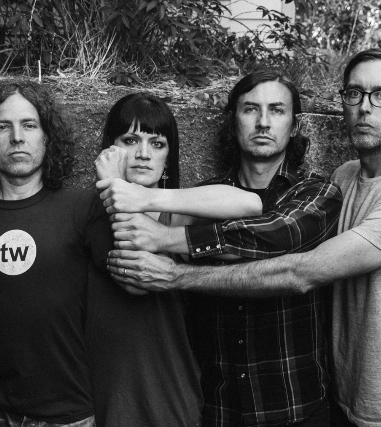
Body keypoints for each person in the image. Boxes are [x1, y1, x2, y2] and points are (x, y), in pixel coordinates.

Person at [108, 50, 381, 427]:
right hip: (241, 406)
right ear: (233, 120)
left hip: (359, 410)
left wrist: (172, 257)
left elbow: (296, 262)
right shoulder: (345, 176)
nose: (365, 107)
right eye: (354, 93)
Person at [99, 73, 343, 426]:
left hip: (294, 405)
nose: (263, 122)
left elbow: (276, 237)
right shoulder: (202, 198)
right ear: (233, 121)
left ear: (294, 126)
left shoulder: (318, 193)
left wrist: (163, 236)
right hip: (219, 408)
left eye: (276, 110)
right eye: (250, 109)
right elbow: (133, 265)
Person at [87, 93, 263, 426]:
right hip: (107, 400)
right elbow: (133, 271)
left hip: (170, 397)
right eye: (130, 140)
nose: (143, 154)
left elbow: (251, 205)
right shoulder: (87, 215)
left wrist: (129, 191)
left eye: (157, 144)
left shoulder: (179, 215)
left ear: (168, 159)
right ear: (109, 150)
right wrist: (114, 189)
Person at [0, 79, 113, 427]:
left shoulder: (82, 208)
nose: (17, 138)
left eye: (29, 125)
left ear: (47, 137)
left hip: (65, 413)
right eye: (2, 127)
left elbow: (129, 274)